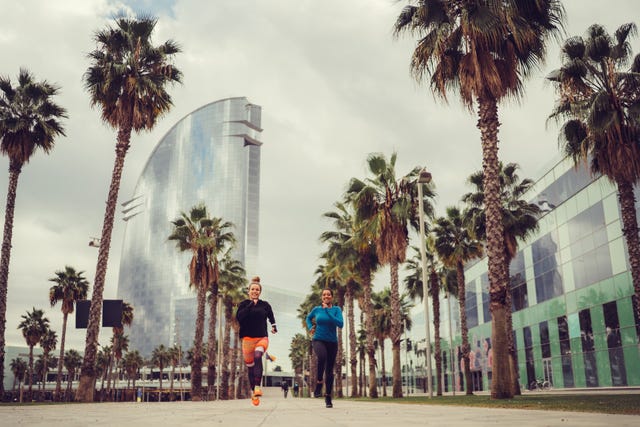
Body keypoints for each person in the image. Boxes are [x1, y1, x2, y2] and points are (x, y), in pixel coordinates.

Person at [236, 276, 277, 406]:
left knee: (258, 355)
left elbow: (271, 316)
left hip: (262, 337)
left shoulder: (265, 305)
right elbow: (240, 318)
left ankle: (258, 386)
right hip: (247, 339)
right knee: (250, 368)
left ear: (260, 291)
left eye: (257, 289)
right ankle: (254, 391)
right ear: (249, 291)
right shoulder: (243, 304)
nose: (255, 291)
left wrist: (274, 326)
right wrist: (250, 305)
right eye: (252, 289)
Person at [305, 288, 343, 408]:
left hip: (332, 342)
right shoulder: (316, 309)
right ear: (322, 297)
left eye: (328, 294)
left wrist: (328, 311)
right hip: (318, 339)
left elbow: (340, 324)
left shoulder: (336, 310)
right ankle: (319, 382)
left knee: (330, 371)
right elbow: (308, 318)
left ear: (332, 297)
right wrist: (310, 326)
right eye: (324, 294)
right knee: (322, 356)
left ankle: (328, 397)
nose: (326, 296)